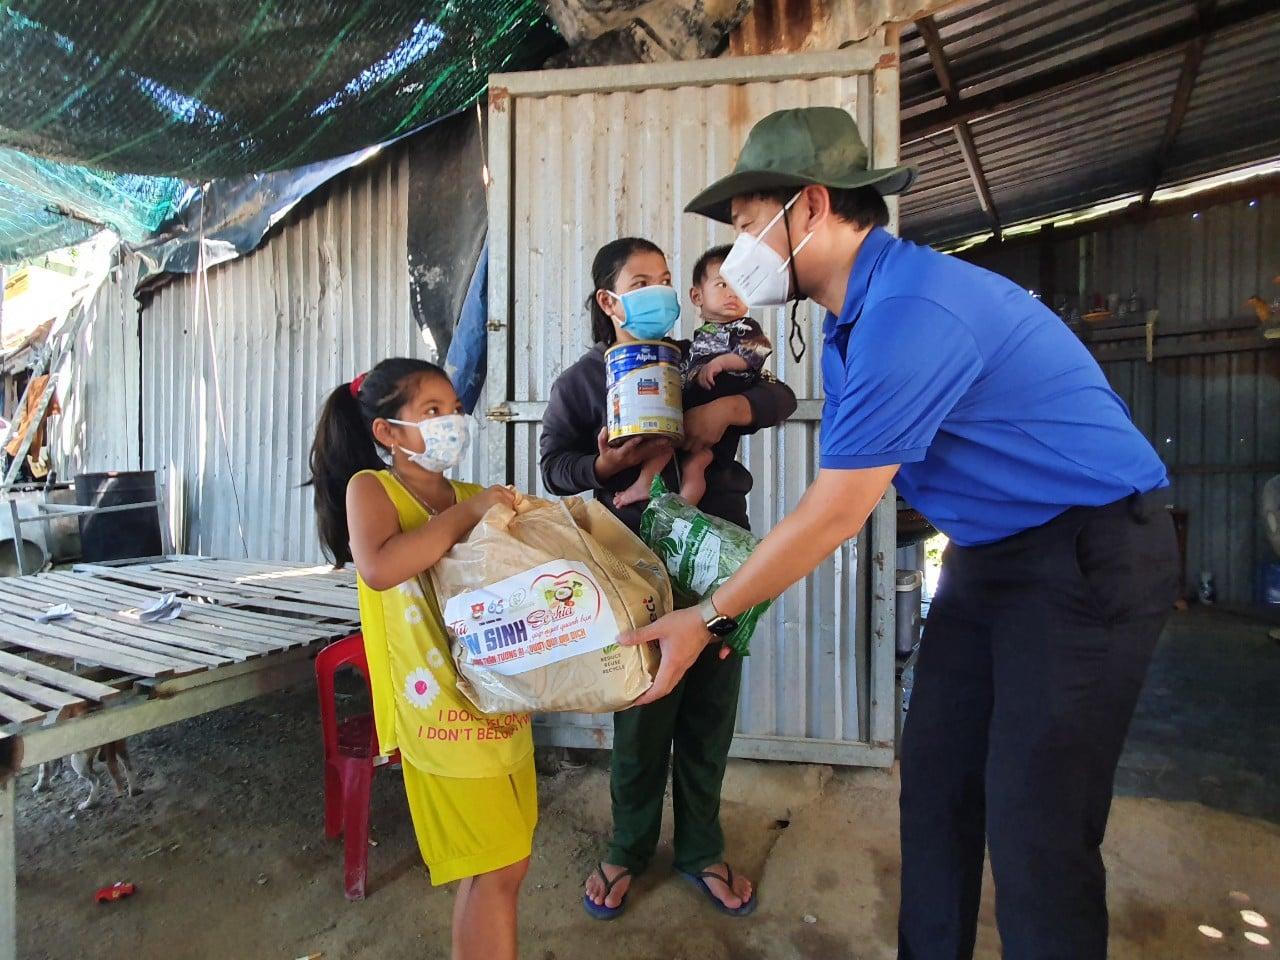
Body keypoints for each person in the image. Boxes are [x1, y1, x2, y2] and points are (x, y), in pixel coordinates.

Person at [622, 107, 1178, 960]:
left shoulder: (911, 309)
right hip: (990, 559)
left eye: (745, 225)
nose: (735, 255)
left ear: (810, 206)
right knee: (938, 788)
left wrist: (709, 616)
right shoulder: (850, 323)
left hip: (1087, 554)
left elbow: (837, 510)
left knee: (1037, 827)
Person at [539, 237, 797, 919]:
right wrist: (602, 468)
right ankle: (627, 847)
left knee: (711, 712)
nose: (658, 291)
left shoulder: (697, 359)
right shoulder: (582, 382)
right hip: (635, 569)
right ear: (609, 300)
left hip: (718, 562)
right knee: (643, 713)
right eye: (640, 282)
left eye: (663, 278)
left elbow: (779, 395)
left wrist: (728, 410)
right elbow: (555, 466)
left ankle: (700, 849)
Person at [309, 358, 534, 960]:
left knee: (498, 865)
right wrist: (470, 515)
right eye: (432, 411)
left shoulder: (472, 497)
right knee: (497, 866)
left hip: (499, 706)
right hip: (439, 718)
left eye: (455, 409)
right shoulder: (372, 490)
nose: (452, 421)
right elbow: (381, 567)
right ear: (387, 431)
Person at [614, 244, 775, 509]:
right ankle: (646, 484)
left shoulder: (745, 327)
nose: (733, 293)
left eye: (741, 285)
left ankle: (680, 512)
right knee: (664, 446)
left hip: (717, 411)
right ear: (697, 296)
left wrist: (721, 363)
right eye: (722, 284)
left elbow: (756, 352)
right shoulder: (700, 337)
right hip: (690, 411)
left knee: (696, 465)